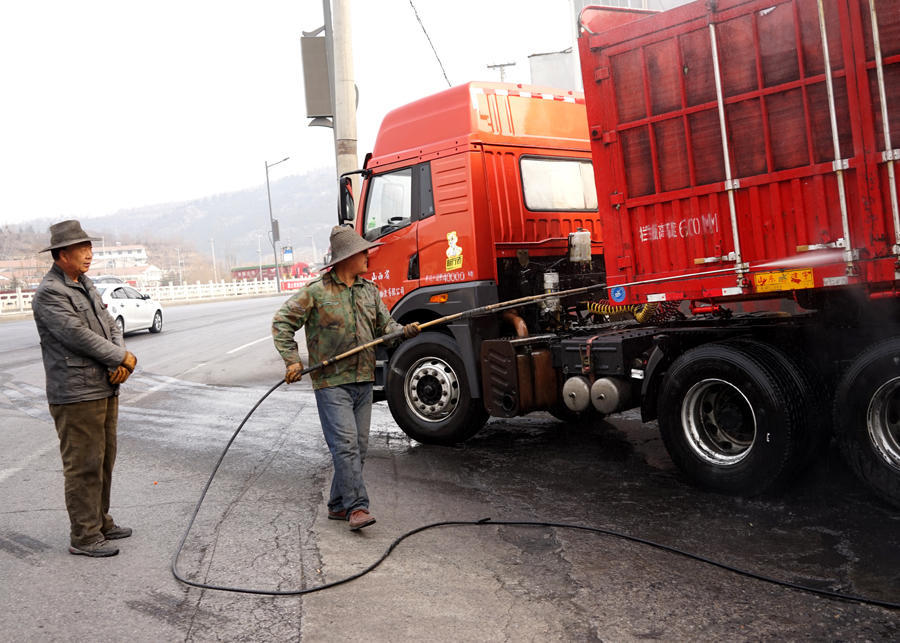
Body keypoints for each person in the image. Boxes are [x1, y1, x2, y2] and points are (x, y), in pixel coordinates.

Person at [272, 226, 419, 531]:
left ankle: (338, 504)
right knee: (346, 446)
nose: (368, 256)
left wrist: (402, 331)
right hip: (331, 383)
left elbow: (385, 326)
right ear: (347, 257)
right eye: (363, 251)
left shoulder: (369, 291)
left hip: (363, 380)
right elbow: (282, 322)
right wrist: (291, 361)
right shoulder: (316, 292)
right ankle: (357, 507)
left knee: (358, 447)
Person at [32, 220, 137, 557]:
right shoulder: (51, 293)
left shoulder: (86, 284)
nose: (90, 254)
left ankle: (101, 521)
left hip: (104, 386)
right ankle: (84, 535)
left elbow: (109, 324)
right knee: (84, 464)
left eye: (90, 247)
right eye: (82, 248)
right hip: (76, 394)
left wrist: (117, 362)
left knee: (104, 459)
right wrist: (121, 357)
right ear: (62, 254)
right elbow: (77, 335)